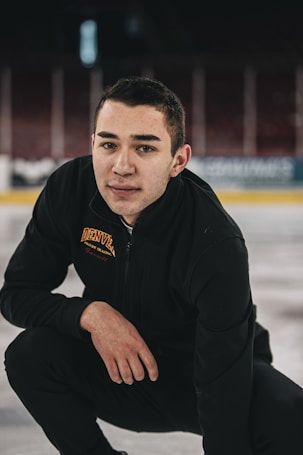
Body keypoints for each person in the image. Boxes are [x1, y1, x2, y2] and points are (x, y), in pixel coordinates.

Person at [0, 75, 302, 455]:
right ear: (92, 145)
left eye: (144, 148)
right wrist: (90, 314)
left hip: (206, 381)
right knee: (30, 355)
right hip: (119, 373)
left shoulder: (214, 240)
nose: (121, 166)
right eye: (109, 144)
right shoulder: (69, 191)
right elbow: (16, 296)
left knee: (289, 413)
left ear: (178, 160)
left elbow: (224, 377)